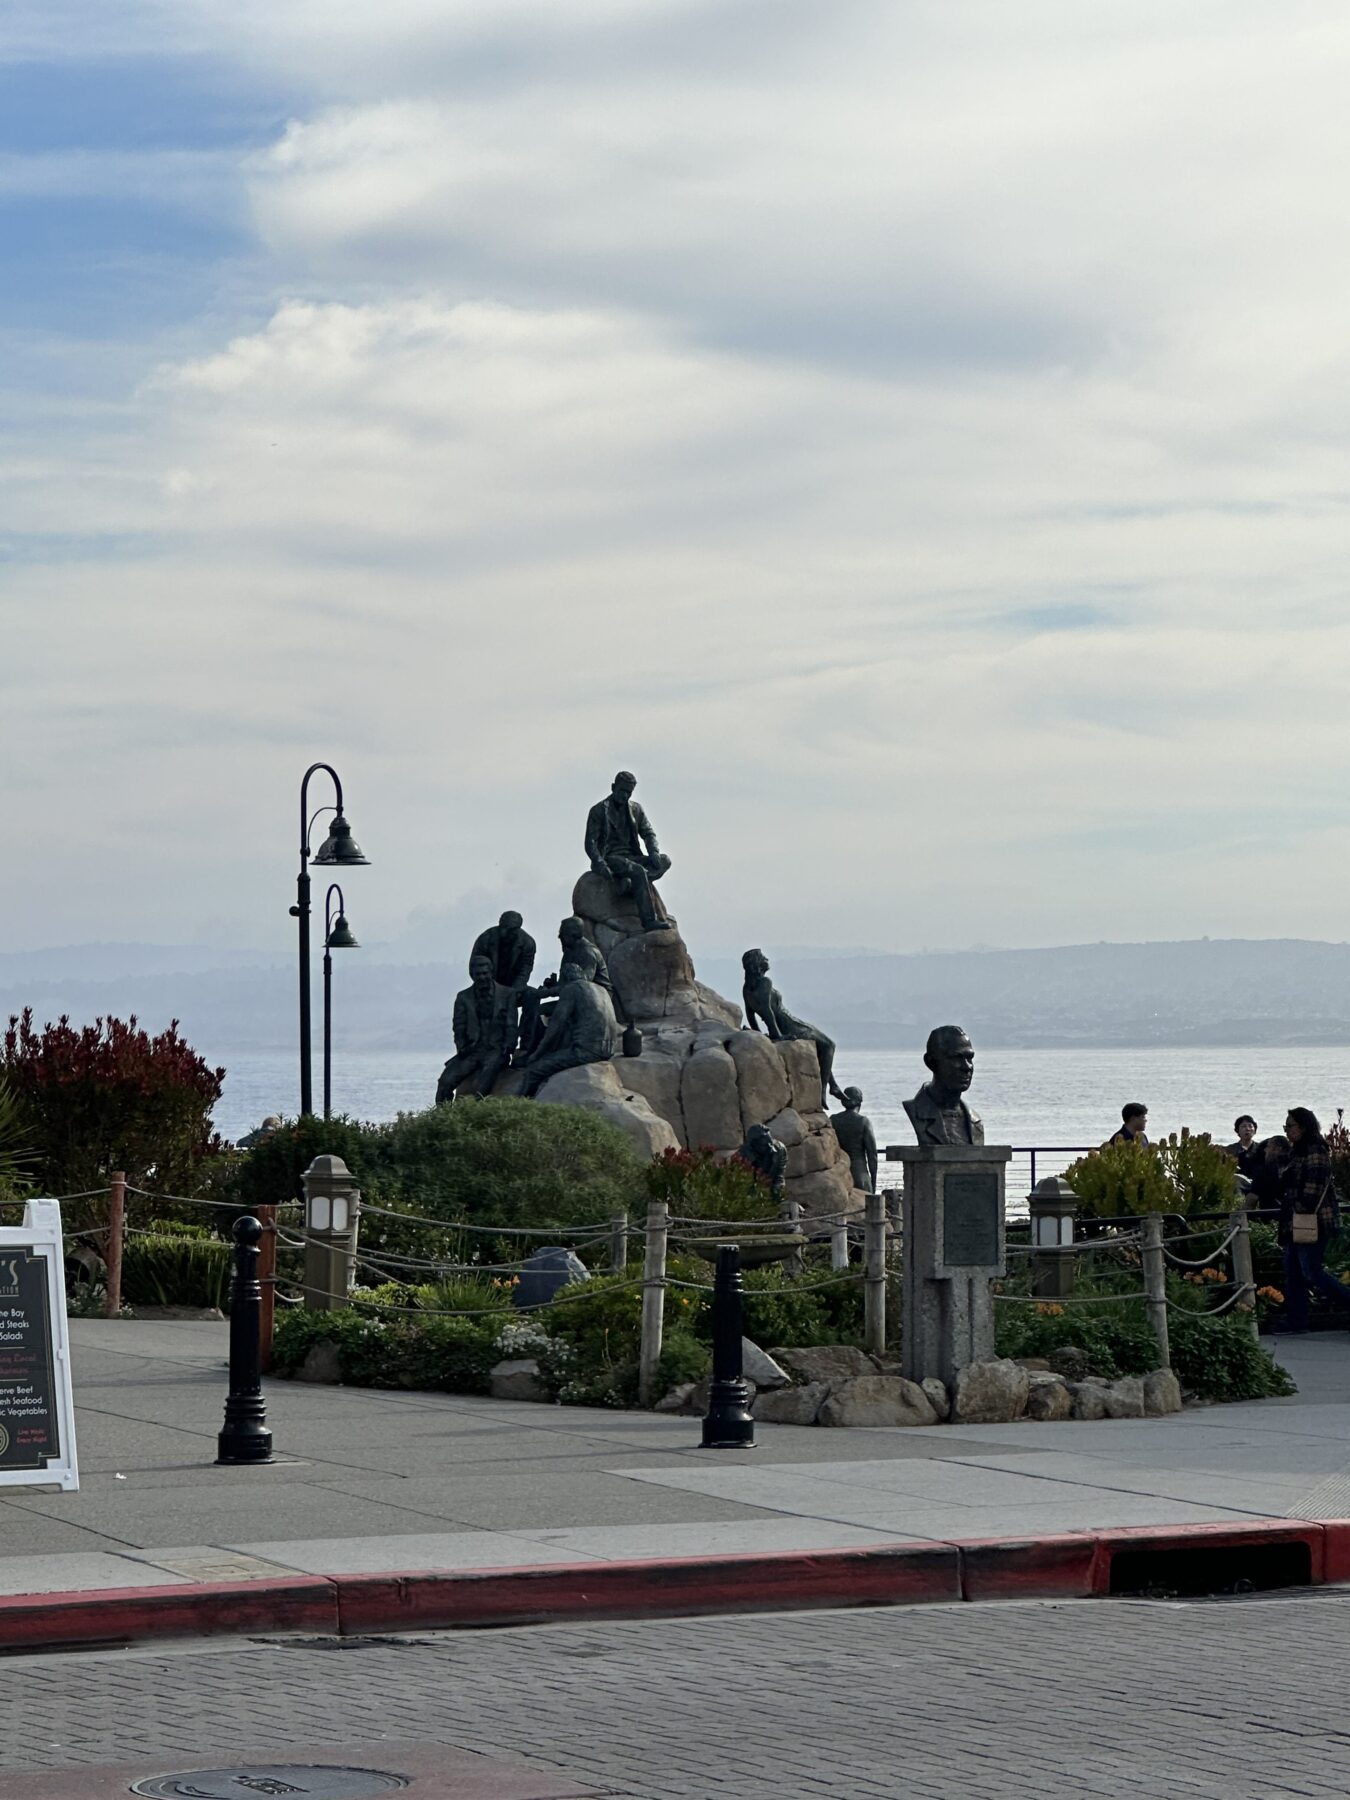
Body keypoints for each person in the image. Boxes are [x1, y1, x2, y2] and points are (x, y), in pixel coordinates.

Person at [741, 947, 844, 1109]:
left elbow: (750, 1014)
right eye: (763, 957)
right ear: (757, 963)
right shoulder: (765, 983)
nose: (767, 959)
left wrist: (759, 1033)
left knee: (820, 1048)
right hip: (790, 1024)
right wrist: (778, 1036)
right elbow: (768, 1011)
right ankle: (823, 1090)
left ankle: (834, 1085)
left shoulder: (747, 988)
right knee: (829, 1045)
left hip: (786, 1024)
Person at [1276, 1107, 1348, 1334]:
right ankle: (1297, 1321)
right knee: (1294, 1271)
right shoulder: (1296, 1151)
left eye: (1290, 1126)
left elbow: (1313, 1187)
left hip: (1312, 1221)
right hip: (1295, 1222)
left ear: (1303, 1127)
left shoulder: (1315, 1151)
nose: (1287, 1131)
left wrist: (1297, 1205)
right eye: (1285, 1127)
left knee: (1311, 1271)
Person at [584, 771, 674, 933]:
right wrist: (600, 863)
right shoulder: (598, 811)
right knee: (638, 871)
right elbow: (590, 843)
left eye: (628, 793)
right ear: (613, 787)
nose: (625, 795)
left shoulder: (636, 809)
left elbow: (648, 833)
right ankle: (649, 921)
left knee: (664, 861)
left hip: (633, 856)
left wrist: (653, 852)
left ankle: (629, 885)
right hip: (611, 857)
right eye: (622, 791)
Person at [519, 961, 619, 1097]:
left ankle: (521, 1106)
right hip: (609, 1050)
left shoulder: (571, 989)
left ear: (565, 978)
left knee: (534, 1071)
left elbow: (555, 1026)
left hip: (586, 1051)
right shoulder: (601, 990)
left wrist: (537, 1054)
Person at [435, 954, 512, 1102]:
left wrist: (507, 1048)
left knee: (483, 1082)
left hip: (495, 1050)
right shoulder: (463, 997)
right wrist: (462, 1048)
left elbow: (511, 1024)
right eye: (478, 974)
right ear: (472, 975)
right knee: (445, 1082)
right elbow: (458, 1026)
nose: (482, 977)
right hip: (471, 1051)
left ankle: (473, 1111)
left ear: (491, 972)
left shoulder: (507, 995)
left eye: (485, 973)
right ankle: (443, 1117)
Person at [471, 911, 537, 1059]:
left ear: (518, 929)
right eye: (504, 928)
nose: (506, 932)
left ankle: (526, 1047)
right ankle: (482, 1045)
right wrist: (493, 988)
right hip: (488, 986)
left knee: (532, 996)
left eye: (511, 929)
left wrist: (512, 991)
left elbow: (525, 971)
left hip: (515, 987)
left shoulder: (527, 943)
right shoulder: (486, 939)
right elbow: (474, 967)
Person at [903, 1026, 984, 1146]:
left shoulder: (975, 1121)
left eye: (970, 1058)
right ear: (931, 1062)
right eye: (956, 1058)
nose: (967, 1067)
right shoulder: (915, 1111)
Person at [832, 1087, 878, 1192]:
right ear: (860, 1102)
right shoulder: (863, 1122)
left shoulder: (834, 1120)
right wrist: (873, 1182)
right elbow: (872, 1155)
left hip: (840, 1171)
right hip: (859, 1173)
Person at [1225, 1114, 1264, 1181]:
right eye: (1243, 1126)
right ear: (1237, 1130)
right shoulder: (1230, 1150)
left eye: (1250, 1126)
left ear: (1254, 1130)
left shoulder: (1261, 1149)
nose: (1247, 1129)